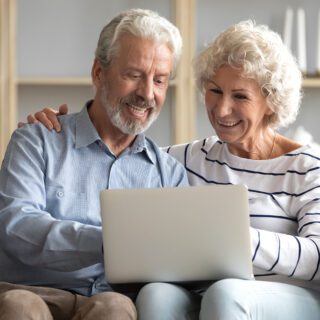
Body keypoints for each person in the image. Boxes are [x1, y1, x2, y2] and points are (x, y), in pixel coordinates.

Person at [31, 20, 320, 319]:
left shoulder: (307, 168)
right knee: (157, 293)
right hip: (210, 292)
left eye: (240, 96)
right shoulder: (185, 160)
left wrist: (237, 240)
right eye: (215, 91)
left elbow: (317, 256)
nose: (221, 110)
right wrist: (60, 128)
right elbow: (117, 158)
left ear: (271, 101)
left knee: (227, 293)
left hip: (287, 293)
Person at [0, 8, 189, 320]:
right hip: (31, 289)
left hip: (108, 299)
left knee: (115, 308)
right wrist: (110, 242)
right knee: (21, 306)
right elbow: (17, 227)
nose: (147, 93)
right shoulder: (37, 140)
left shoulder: (168, 173)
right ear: (98, 72)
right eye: (133, 75)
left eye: (160, 80)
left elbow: (178, 260)